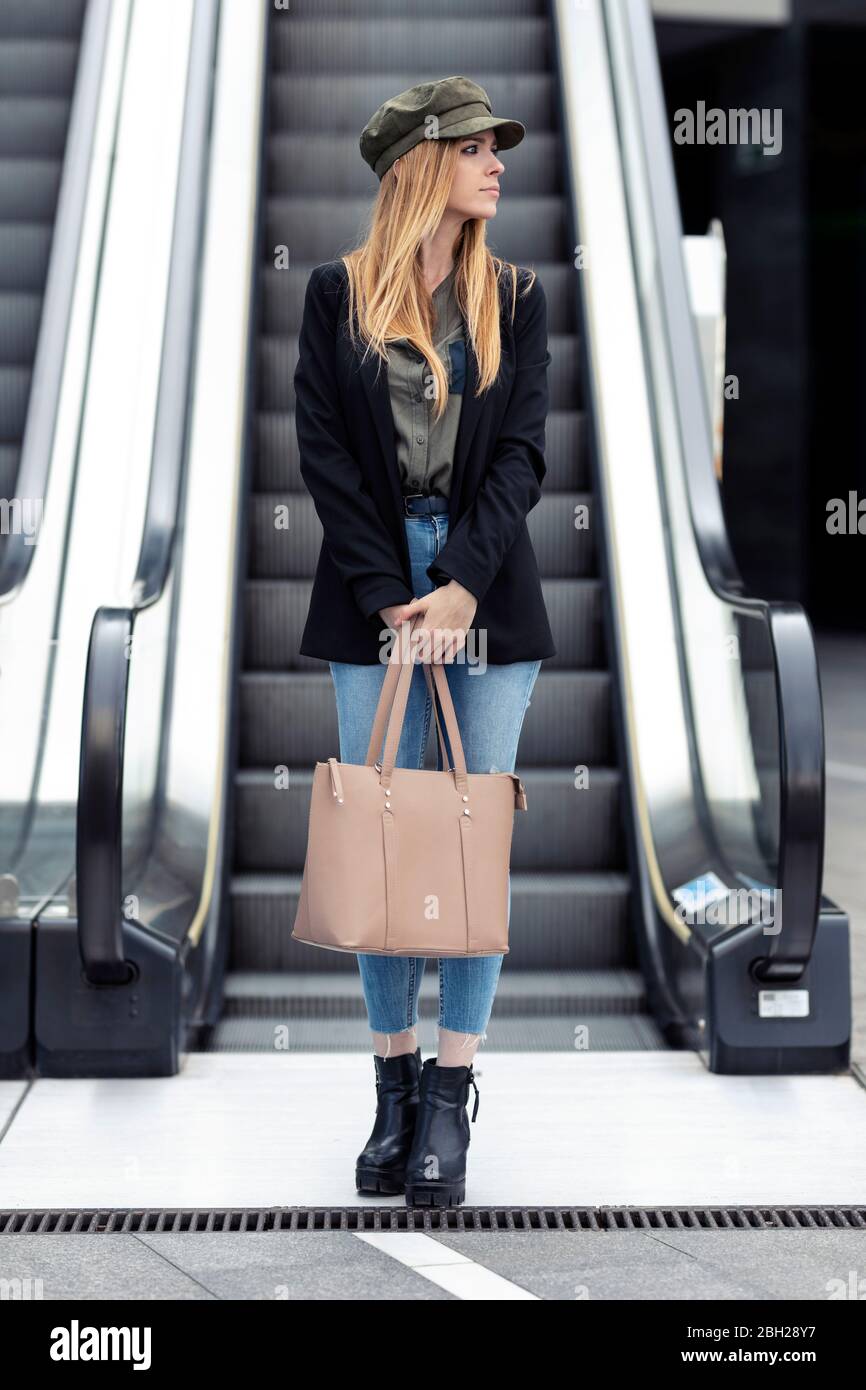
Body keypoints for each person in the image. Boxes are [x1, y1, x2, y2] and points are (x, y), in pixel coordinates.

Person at [293, 77, 556, 1208]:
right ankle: (392, 1088)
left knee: (465, 841)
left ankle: (451, 1093)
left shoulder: (518, 293)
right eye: (475, 147)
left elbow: (523, 457)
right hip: (371, 596)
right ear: (420, 163)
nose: (497, 163)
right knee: (384, 836)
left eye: (499, 147)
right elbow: (323, 453)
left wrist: (454, 586)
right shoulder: (335, 294)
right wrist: (389, 593)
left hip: (484, 591)